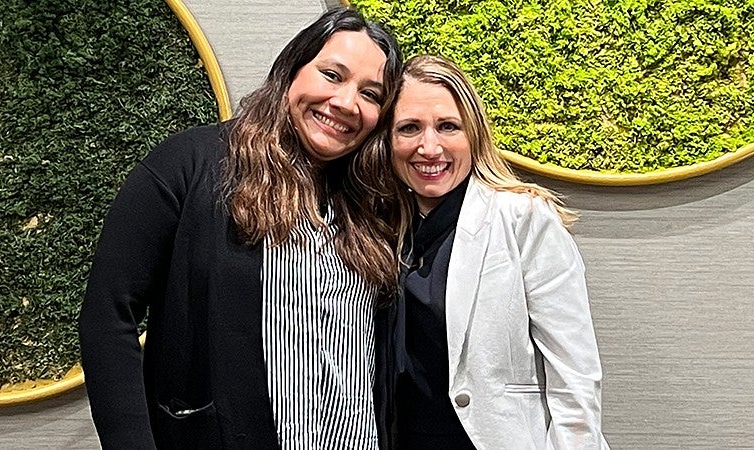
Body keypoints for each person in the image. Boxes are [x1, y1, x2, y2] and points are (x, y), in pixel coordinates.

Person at [78, 8, 402, 449]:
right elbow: (107, 315)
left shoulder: (368, 204)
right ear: (291, 69)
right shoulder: (190, 165)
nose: (346, 102)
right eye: (331, 75)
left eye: (370, 93)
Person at [374, 55, 610, 449]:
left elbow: (575, 371)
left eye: (448, 126)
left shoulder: (523, 217)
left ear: (474, 135)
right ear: (388, 140)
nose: (429, 147)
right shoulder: (375, 225)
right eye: (409, 128)